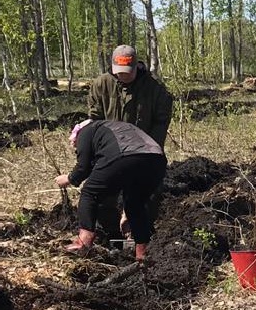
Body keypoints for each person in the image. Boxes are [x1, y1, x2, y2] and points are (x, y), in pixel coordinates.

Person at [87, 44, 174, 238]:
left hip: (144, 151)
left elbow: (161, 122)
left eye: (128, 72)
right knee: (102, 197)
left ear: (137, 67)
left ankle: (140, 237)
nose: (123, 75)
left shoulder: (155, 89)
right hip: (110, 152)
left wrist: (148, 152)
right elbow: (95, 120)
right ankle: (111, 236)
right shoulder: (101, 85)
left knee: (147, 196)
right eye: (119, 72)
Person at [56, 119, 167, 261]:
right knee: (135, 205)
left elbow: (83, 167)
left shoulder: (85, 131)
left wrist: (69, 178)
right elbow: (132, 168)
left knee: (89, 193)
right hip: (157, 159)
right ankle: (142, 253)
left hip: (126, 155)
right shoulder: (117, 127)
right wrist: (127, 214)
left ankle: (83, 242)